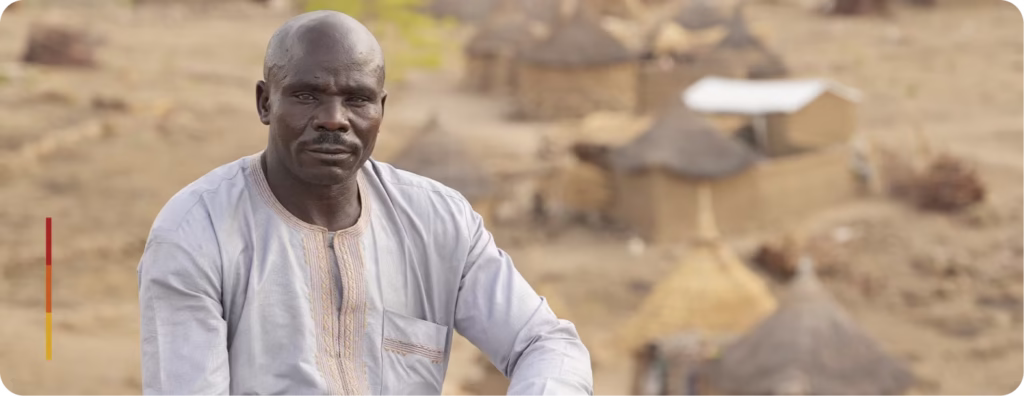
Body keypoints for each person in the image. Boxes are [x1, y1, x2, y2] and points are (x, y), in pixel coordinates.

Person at [137, 10, 593, 396]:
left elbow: (545, 343)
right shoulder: (198, 233)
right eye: (306, 95)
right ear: (264, 103)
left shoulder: (438, 221)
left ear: (381, 110)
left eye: (356, 99)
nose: (334, 120)